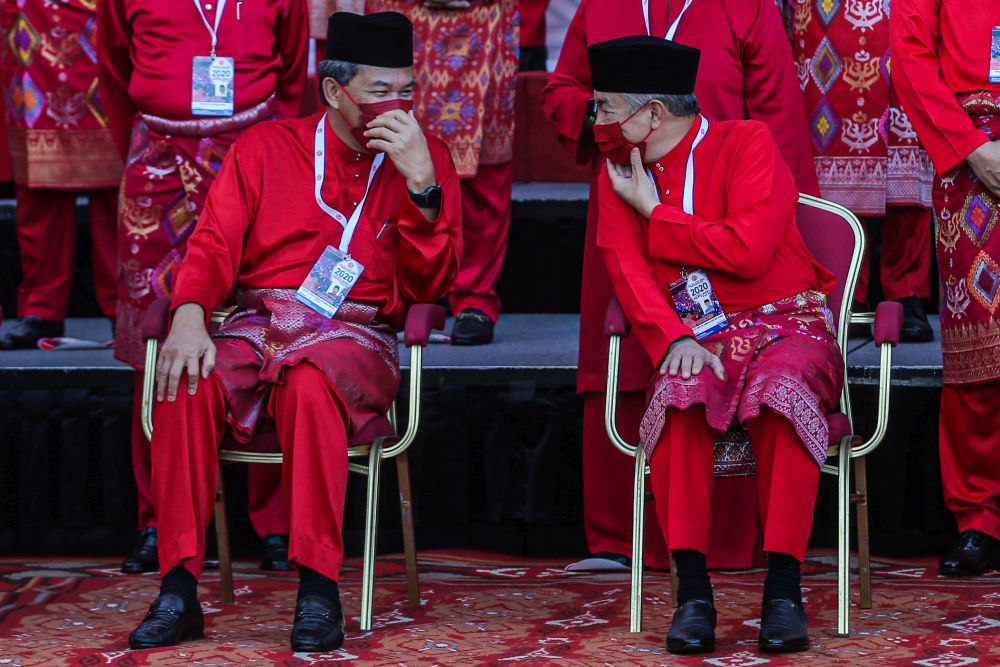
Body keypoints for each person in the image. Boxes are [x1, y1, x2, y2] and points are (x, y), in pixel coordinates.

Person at [125, 12, 461, 651]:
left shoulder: (429, 155)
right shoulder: (266, 147)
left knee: (310, 380)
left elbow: (430, 285)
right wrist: (190, 313)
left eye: (407, 91)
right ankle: (176, 588)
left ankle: (317, 589)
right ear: (334, 92)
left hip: (355, 336)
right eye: (380, 91)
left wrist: (422, 187)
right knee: (184, 379)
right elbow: (213, 242)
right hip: (257, 324)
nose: (399, 107)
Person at [541, 0, 818, 573]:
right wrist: (607, 118)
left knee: (755, 367)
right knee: (637, 351)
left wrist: (790, 218)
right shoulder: (602, 7)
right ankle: (621, 538)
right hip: (632, 188)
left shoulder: (746, 9)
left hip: (732, 205)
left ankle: (737, 544)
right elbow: (560, 89)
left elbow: (779, 119)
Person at [591, 35, 842, 653]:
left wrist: (658, 215)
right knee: (680, 393)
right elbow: (626, 271)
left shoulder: (747, 142)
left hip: (788, 324)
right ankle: (692, 593)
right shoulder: (619, 171)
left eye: (604, 107)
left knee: (783, 393)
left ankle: (783, 589)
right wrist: (675, 336)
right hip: (698, 336)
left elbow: (750, 251)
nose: (594, 122)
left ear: (652, 113)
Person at [97, 0, 307, 574]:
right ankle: (158, 519)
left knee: (271, 327)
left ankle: (276, 521)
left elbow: (292, 76)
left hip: (253, 153)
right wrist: (142, 149)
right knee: (154, 342)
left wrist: (276, 157)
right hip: (157, 159)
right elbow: (114, 69)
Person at [891, 1, 1000, 576]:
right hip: (970, 157)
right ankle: (979, 518)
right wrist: (970, 147)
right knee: (978, 344)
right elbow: (909, 60)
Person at [364, 0, 517, 345]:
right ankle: (393, 293)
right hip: (403, 11)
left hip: (483, 15)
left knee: (484, 168)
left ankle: (475, 297)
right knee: (393, 147)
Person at [791, 0, 935, 342]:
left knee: (909, 168)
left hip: (905, 23)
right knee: (830, 172)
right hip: (827, 31)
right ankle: (847, 290)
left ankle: (907, 292)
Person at [0, 0, 120, 350]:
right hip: (31, 37)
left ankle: (124, 308)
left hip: (101, 31)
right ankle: (42, 309)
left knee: (120, 200)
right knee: (39, 190)